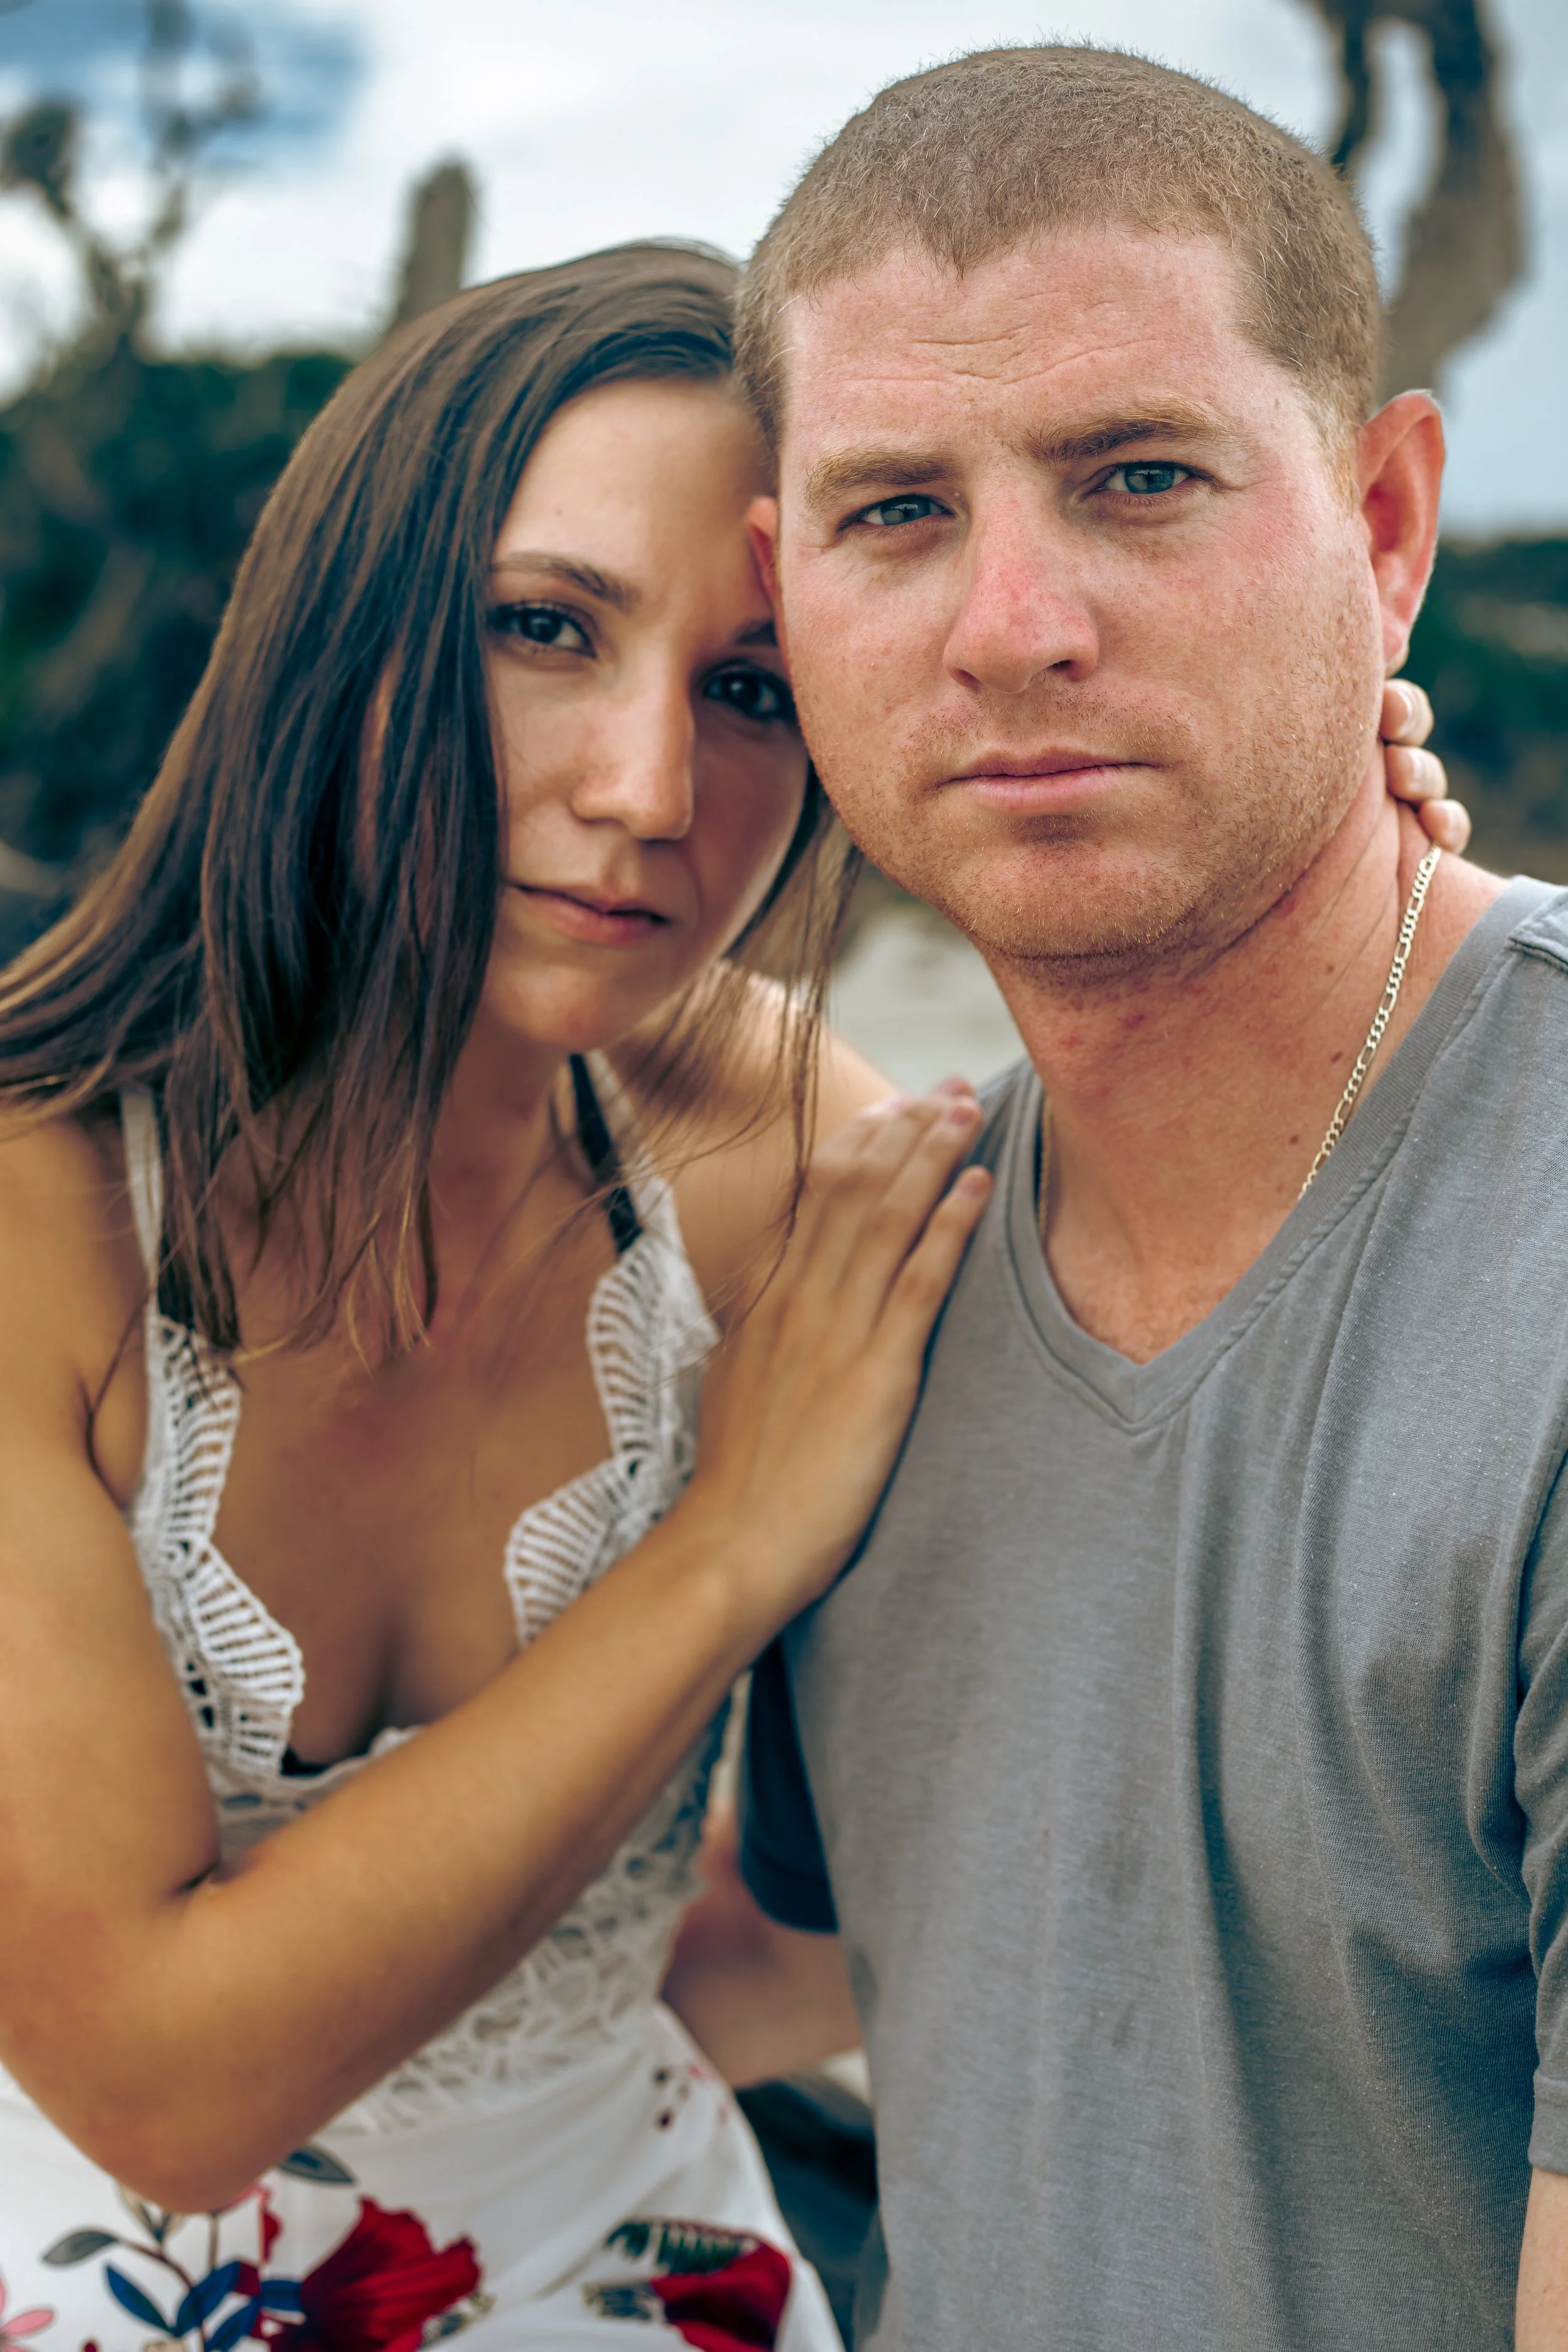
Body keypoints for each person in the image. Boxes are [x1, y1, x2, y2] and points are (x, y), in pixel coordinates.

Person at [0, 234, 1456, 2348]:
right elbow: (161, 2080)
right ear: (341, 627)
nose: (647, 794)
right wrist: (730, 1546)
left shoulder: (769, 1145)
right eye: (540, 629)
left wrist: (1315, 854)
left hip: (644, 2259)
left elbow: (1198, 1362)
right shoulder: (43, 1214)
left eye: (754, 687)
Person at [721, 43, 1568, 2352]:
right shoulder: (869, 1290)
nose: (1015, 621)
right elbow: (755, 1964)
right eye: (898, 509)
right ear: (784, 599)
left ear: (1384, 524)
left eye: (1138, 476)